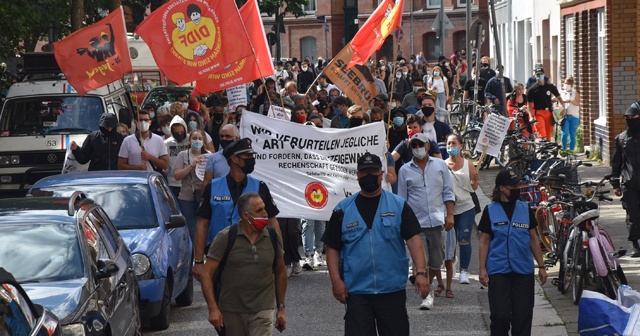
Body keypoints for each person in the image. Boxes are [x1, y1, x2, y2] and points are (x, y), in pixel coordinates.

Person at [322, 153, 429, 335]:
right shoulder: (342, 209)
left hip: (392, 290)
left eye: (373, 171)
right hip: (357, 292)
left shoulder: (398, 205)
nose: (369, 176)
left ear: (381, 174)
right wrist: (336, 281)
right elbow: (332, 247)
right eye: (364, 172)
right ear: (357, 175)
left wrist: (421, 273)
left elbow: (413, 240)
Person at [192, 138, 281, 281]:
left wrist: (279, 254)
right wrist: (198, 261)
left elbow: (272, 221)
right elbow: (202, 224)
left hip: (253, 255)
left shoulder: (260, 187)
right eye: (248, 156)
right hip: (219, 256)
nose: (252, 160)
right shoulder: (213, 187)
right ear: (234, 159)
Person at [200, 192, 287, 335]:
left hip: (263, 308)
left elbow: (280, 271)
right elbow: (206, 273)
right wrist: (213, 309)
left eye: (264, 208)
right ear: (245, 215)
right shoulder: (226, 237)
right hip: (232, 310)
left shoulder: (272, 237)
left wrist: (281, 308)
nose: (265, 214)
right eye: (259, 210)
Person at [478, 169, 547, 336]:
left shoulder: (525, 209)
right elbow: (484, 241)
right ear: (502, 188)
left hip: (523, 270)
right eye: (514, 185)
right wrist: (482, 269)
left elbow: (533, 239)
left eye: (519, 184)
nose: (518, 188)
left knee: (522, 317)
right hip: (498, 270)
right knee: (500, 315)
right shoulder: (490, 210)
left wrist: (542, 266)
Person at [397, 133, 455, 310]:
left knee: (436, 262)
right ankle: (427, 294)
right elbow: (402, 200)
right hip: (416, 225)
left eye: (420, 144)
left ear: (428, 146)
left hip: (437, 221)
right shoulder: (405, 170)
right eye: (413, 145)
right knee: (420, 262)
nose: (417, 148)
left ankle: (426, 284)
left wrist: (450, 215)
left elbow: (448, 192)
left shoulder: (440, 166)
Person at [445, 134, 479, 285]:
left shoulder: (469, 164)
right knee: (449, 242)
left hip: (466, 207)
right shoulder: (442, 165)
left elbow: (473, 188)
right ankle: (451, 261)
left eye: (453, 143)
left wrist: (476, 179)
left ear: (461, 146)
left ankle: (464, 270)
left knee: (464, 239)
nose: (450, 146)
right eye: (448, 143)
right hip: (448, 208)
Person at [611, 102, 640, 257]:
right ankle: (636, 244)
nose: (630, 119)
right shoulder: (621, 139)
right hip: (629, 182)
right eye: (627, 117)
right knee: (632, 214)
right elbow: (617, 162)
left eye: (633, 116)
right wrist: (615, 183)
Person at [173, 130, 212, 239]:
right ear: (189, 141)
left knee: (205, 226)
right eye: (194, 138)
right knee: (191, 229)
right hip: (187, 198)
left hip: (204, 196)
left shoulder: (209, 156)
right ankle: (194, 254)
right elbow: (177, 176)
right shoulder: (183, 155)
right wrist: (191, 166)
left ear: (203, 141)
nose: (197, 141)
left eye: (200, 139)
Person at [527, 70, 565, 142]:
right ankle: (543, 145)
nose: (539, 76)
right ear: (535, 76)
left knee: (548, 135)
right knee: (542, 134)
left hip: (549, 113)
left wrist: (563, 107)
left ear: (544, 74)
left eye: (540, 74)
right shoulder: (532, 90)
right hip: (539, 113)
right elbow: (528, 104)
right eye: (537, 75)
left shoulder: (550, 86)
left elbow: (559, 97)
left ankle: (547, 151)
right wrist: (531, 116)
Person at [202, 125, 239, 190]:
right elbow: (207, 181)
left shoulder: (243, 157)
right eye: (222, 136)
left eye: (228, 136)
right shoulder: (213, 158)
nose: (224, 139)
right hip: (219, 196)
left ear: (236, 138)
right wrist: (203, 199)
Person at [164, 115, 190, 196]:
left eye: (181, 132)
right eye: (177, 133)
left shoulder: (191, 139)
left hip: (188, 181)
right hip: (172, 181)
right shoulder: (167, 143)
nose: (179, 134)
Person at [560, 76, 581, 151]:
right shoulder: (562, 93)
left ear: (571, 84)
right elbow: (556, 99)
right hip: (565, 117)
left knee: (572, 135)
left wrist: (570, 100)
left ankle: (571, 150)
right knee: (564, 133)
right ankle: (564, 149)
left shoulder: (575, 93)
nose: (566, 85)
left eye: (568, 84)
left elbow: (578, 103)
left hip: (574, 116)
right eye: (565, 83)